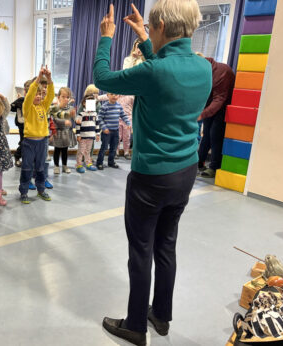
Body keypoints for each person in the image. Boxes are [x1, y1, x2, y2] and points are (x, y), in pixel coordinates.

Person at [94, 2, 212, 345]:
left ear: (160, 23)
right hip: (185, 170)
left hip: (151, 177)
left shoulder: (154, 72)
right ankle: (161, 315)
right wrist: (145, 39)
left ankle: (134, 325)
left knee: (141, 251)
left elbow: (103, 78)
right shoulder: (203, 67)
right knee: (166, 245)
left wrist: (106, 37)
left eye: (150, 26)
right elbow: (165, 67)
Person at [19, 67, 55, 204]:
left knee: (40, 168)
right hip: (29, 142)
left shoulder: (43, 106)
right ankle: (23, 192)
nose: (39, 96)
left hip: (43, 142)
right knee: (27, 167)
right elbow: (29, 97)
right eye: (36, 94)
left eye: (40, 93)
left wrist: (49, 79)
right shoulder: (27, 107)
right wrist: (38, 79)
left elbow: (51, 95)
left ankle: (41, 190)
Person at [197, 56, 235, 178]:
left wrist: (201, 114)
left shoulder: (222, 72)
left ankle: (214, 166)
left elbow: (219, 99)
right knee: (206, 134)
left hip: (224, 107)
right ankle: (199, 163)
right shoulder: (202, 71)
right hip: (210, 104)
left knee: (215, 135)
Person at [96, 92, 131, 170]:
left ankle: (111, 162)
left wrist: (128, 122)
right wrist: (104, 127)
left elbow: (123, 115)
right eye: (112, 94)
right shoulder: (104, 106)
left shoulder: (119, 106)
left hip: (115, 131)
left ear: (118, 96)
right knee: (104, 147)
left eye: (116, 94)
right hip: (107, 132)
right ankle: (99, 162)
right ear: (108, 95)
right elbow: (100, 118)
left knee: (114, 148)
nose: (114, 96)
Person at [49, 87, 76, 174]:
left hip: (67, 133)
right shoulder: (56, 107)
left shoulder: (71, 108)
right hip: (58, 132)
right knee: (57, 150)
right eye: (63, 96)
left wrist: (76, 118)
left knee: (65, 150)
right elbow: (56, 119)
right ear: (58, 97)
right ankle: (56, 166)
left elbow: (74, 118)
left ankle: (65, 165)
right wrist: (65, 122)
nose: (65, 99)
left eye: (67, 97)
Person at [11, 79, 34, 167]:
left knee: (29, 142)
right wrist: (17, 104)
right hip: (22, 124)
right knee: (24, 141)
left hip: (31, 124)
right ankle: (17, 156)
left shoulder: (34, 100)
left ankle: (27, 158)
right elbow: (11, 108)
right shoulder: (21, 100)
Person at [75, 94, 100, 173]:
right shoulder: (81, 114)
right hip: (83, 136)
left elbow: (97, 125)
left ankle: (88, 163)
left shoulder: (95, 115)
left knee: (88, 151)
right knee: (81, 151)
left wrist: (98, 134)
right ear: (84, 103)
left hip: (91, 136)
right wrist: (78, 135)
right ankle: (79, 164)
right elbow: (78, 125)